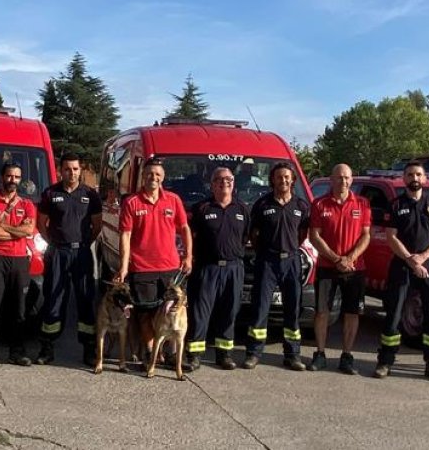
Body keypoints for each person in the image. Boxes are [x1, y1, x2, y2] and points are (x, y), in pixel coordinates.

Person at [372, 162, 429, 382]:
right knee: (394, 313)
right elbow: (391, 236)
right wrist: (410, 260)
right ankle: (385, 361)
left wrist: (423, 258)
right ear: (404, 178)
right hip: (402, 264)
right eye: (409, 174)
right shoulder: (395, 205)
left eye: (418, 174)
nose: (414, 178)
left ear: (425, 179)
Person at [112, 158, 192, 359]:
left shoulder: (173, 200)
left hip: (170, 268)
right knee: (145, 314)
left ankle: (171, 353)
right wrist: (123, 268)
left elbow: (184, 228)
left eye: (157, 174)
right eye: (149, 174)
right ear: (142, 176)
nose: (153, 178)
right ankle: (150, 353)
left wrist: (188, 256)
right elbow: (125, 236)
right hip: (141, 268)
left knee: (172, 310)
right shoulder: (131, 202)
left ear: (163, 177)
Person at [35, 154, 103, 366]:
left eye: (75, 169)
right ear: (60, 170)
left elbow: (96, 226)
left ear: (80, 170)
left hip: (81, 253)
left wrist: (82, 244)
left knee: (85, 300)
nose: (71, 173)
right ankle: (47, 347)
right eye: (67, 169)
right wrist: (54, 243)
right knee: (54, 300)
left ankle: (89, 349)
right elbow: (41, 223)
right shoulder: (50, 193)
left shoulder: (90, 195)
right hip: (57, 253)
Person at [244, 162, 311, 370]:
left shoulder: (301, 206)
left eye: (287, 177)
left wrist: (289, 250)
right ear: (272, 179)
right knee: (260, 309)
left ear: (293, 180)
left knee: (292, 309)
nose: (283, 180)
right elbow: (253, 234)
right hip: (267, 261)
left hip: (291, 261)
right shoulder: (262, 205)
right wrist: (265, 251)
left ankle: (293, 355)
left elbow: (302, 235)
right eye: (279, 177)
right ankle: (254, 353)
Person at [307, 163, 371, 375]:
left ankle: (346, 356)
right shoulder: (319, 204)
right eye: (339, 177)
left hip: (355, 268)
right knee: (322, 311)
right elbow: (314, 236)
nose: (343, 181)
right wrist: (336, 259)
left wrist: (350, 258)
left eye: (347, 177)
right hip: (327, 267)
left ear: (351, 180)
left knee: (352, 313)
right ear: (331, 179)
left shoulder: (362, 204)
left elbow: (366, 235)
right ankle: (320, 354)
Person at [185, 167, 248, 371]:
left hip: (233, 268)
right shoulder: (201, 208)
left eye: (228, 179)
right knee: (200, 313)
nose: (224, 183)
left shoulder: (242, 209)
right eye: (219, 180)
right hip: (207, 268)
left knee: (229, 312)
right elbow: (190, 237)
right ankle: (194, 355)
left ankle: (224, 355)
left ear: (233, 183)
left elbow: (246, 237)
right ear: (212, 184)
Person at [0, 162, 37, 367]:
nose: (13, 180)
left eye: (17, 177)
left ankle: (17, 352)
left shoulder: (27, 204)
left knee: (19, 310)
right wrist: (15, 230)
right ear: (1, 177)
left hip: (20, 260)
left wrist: (2, 225)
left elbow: (29, 231)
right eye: (9, 176)